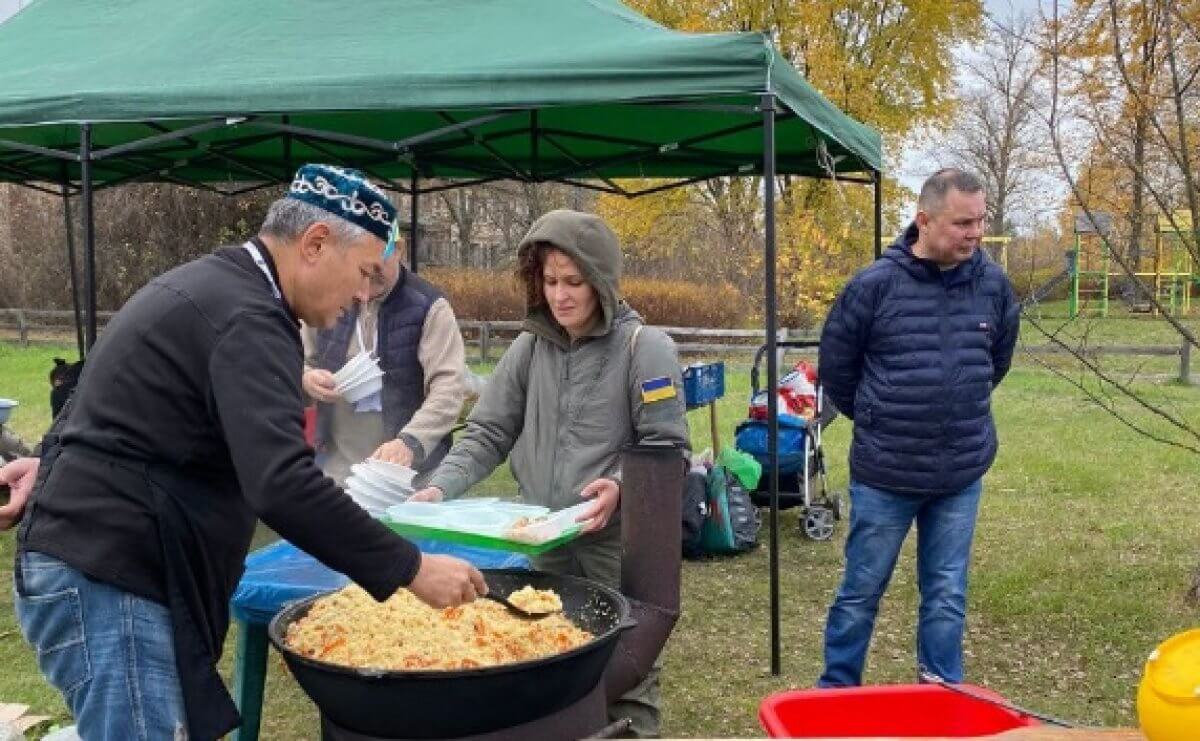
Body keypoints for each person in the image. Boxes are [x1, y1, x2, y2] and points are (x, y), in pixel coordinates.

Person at [0, 164, 486, 741]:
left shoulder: (215, 284)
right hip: (113, 575)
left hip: (116, 566)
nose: (362, 297)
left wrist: (52, 464)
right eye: (362, 274)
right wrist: (410, 568)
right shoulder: (250, 317)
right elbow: (280, 482)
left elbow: (106, 395)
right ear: (314, 244)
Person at [410, 209, 690, 738]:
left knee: (628, 668)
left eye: (574, 282)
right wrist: (437, 486)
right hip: (547, 539)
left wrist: (621, 489)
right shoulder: (528, 348)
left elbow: (668, 449)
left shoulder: (645, 348)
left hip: (619, 545)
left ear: (601, 281)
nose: (560, 296)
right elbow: (487, 432)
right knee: (553, 654)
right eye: (550, 280)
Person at [816, 168, 1020, 688]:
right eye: (962, 223)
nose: (975, 233)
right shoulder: (873, 287)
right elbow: (838, 369)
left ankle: (942, 693)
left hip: (960, 474)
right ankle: (837, 693)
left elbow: (995, 362)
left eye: (980, 221)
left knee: (947, 593)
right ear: (923, 220)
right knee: (861, 590)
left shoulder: (994, 286)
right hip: (886, 474)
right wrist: (883, 417)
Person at [301, 226, 465, 487]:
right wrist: (307, 378)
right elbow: (298, 361)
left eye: (377, 271)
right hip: (337, 472)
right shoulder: (325, 297)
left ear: (398, 250)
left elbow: (449, 387)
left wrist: (410, 441)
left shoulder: (430, 306)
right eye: (362, 269)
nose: (365, 288)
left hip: (412, 479)